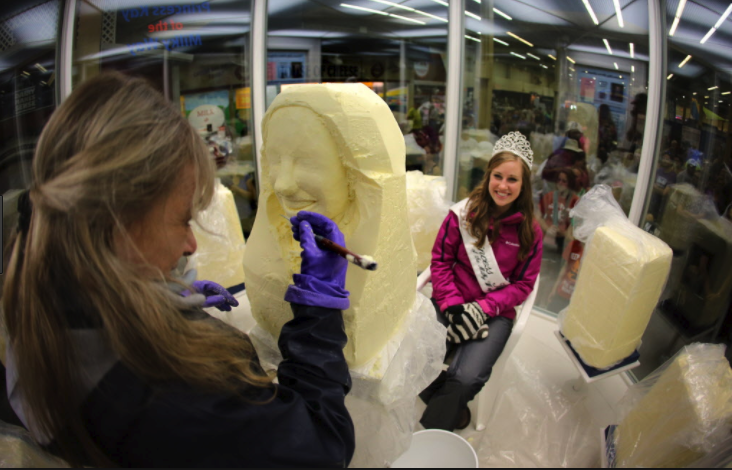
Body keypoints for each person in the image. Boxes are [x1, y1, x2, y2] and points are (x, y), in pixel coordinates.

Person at [2, 72, 355, 467]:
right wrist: (318, 317)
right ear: (119, 220)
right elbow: (320, 448)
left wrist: (157, 298)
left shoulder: (39, 302)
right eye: (183, 220)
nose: (190, 245)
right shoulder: (174, 395)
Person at [419, 131, 543, 431]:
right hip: (451, 300)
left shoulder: (531, 231)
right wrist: (452, 306)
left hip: (495, 312)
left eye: (512, 180)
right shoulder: (463, 215)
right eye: (497, 176)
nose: (502, 185)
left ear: (523, 185)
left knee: (466, 377)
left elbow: (524, 285)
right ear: (488, 176)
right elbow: (441, 261)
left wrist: (483, 308)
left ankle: (430, 436)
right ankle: (451, 412)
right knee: (416, 355)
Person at [539, 170, 580, 253]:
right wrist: (547, 229)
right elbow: (538, 216)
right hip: (546, 238)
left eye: (564, 181)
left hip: (563, 242)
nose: (560, 183)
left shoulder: (576, 201)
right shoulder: (549, 196)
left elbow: (577, 225)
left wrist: (565, 233)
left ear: (570, 183)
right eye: (559, 180)